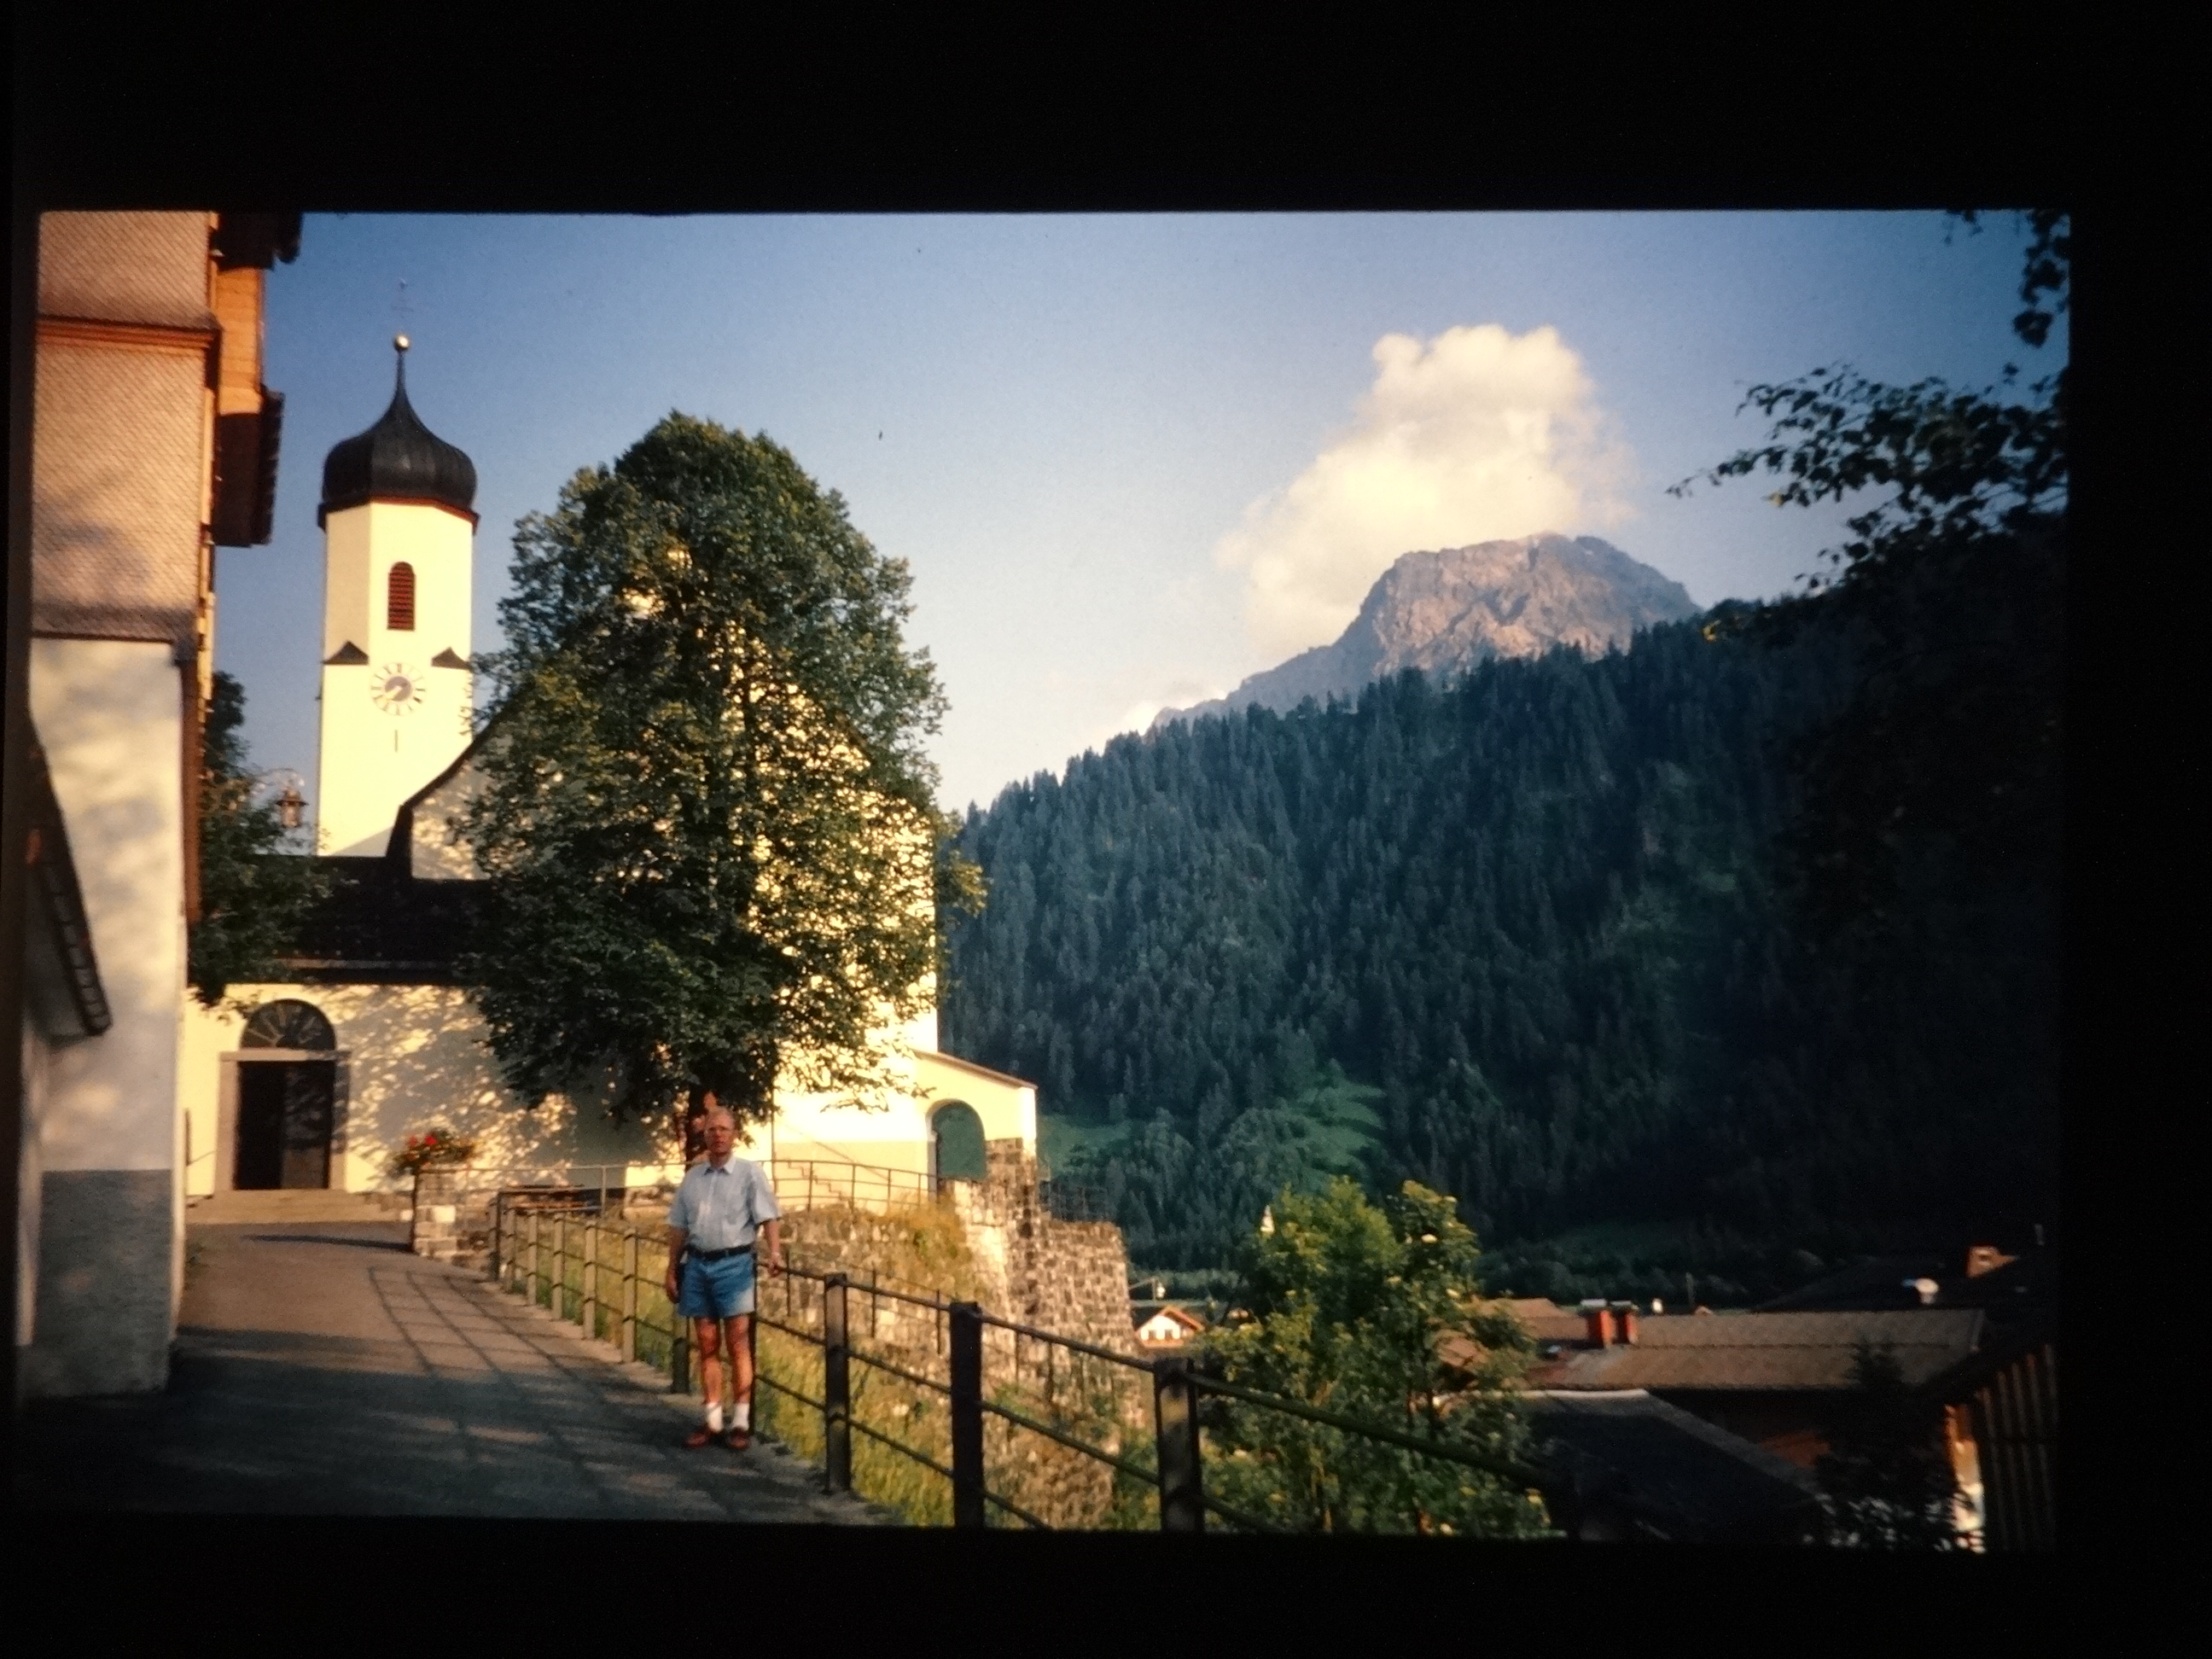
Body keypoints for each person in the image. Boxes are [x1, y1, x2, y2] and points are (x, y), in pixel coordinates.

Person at [663, 1097, 784, 1450]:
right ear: (704, 1134)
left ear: (735, 1136)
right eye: (712, 1129)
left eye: (724, 1130)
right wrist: (672, 1269)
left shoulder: (749, 1173)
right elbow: (678, 1227)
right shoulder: (693, 1178)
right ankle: (712, 1421)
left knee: (738, 1343)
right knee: (706, 1344)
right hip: (698, 1265)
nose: (718, 1136)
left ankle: (741, 1423)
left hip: (735, 1265)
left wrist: (774, 1252)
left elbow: (768, 1216)